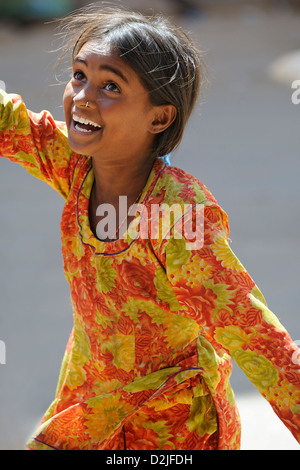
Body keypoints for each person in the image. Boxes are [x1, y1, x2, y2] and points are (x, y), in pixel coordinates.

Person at [0, 4, 299, 451]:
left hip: (174, 427)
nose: (82, 97)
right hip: (92, 404)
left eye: (110, 87)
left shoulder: (178, 217)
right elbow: (10, 123)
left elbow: (253, 333)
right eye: (79, 75)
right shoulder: (76, 165)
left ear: (159, 118)